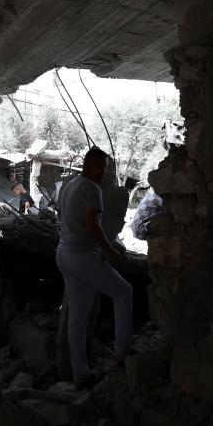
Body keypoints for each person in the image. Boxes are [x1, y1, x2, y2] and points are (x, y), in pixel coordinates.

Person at [56, 146, 133, 388]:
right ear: (90, 165)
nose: (104, 173)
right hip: (82, 256)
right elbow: (93, 226)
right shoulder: (91, 188)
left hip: (64, 252)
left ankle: (80, 372)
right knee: (124, 292)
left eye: (105, 169)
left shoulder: (70, 184)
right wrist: (109, 250)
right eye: (101, 168)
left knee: (78, 314)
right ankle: (122, 353)